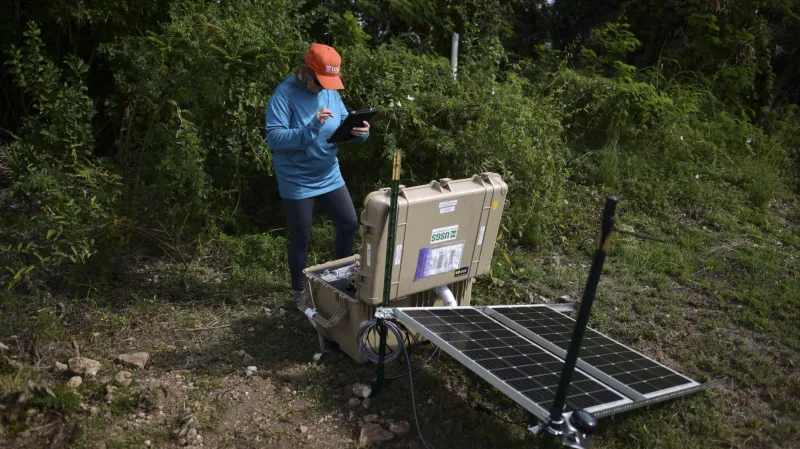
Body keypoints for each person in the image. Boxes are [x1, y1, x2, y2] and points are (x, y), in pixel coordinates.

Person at [265, 43, 370, 308]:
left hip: (328, 173)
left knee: (348, 224)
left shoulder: (329, 91)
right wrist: (312, 126)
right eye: (320, 82)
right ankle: (299, 293)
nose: (324, 88)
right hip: (297, 178)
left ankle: (340, 281)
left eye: (328, 83)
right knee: (301, 237)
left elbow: (343, 121)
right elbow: (275, 138)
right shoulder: (284, 94)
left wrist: (359, 133)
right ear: (305, 72)